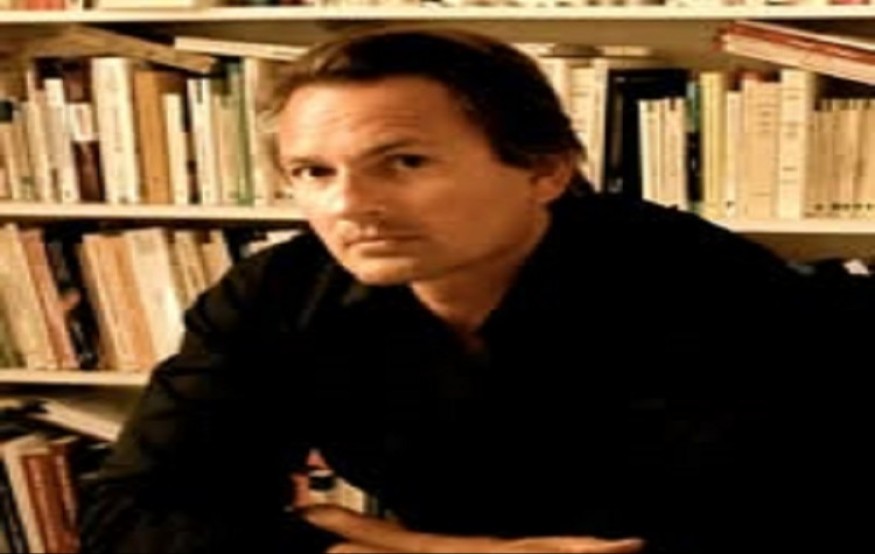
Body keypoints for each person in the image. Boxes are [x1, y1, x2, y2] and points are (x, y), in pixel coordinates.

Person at [80, 26, 871, 554]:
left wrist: (386, 541)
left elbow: (734, 528)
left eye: (404, 163)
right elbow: (130, 512)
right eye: (313, 172)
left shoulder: (703, 288)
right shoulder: (279, 291)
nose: (349, 205)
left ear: (544, 170)